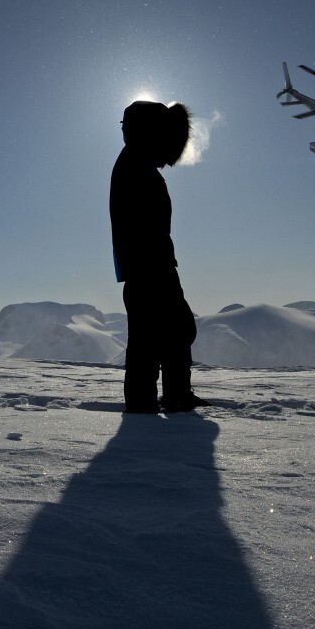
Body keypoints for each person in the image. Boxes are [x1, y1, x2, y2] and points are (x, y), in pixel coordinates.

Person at [110, 100, 209, 413]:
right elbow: (140, 226)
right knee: (153, 338)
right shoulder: (136, 167)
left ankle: (170, 396)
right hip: (149, 268)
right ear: (152, 134)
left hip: (151, 266)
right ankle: (150, 402)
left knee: (169, 332)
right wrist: (155, 265)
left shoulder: (136, 164)